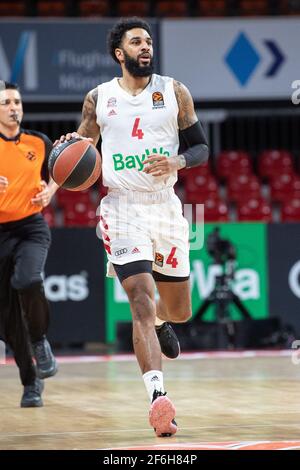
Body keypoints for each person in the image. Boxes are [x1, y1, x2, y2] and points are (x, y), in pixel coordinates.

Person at [56, 17, 209, 436]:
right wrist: (67, 151)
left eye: (148, 41)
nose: (146, 47)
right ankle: (159, 399)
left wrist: (177, 161)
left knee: (179, 309)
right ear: (119, 53)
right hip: (121, 208)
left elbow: (201, 147)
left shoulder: (174, 91)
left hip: (166, 207)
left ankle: (163, 324)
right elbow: (82, 148)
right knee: (140, 298)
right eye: (136, 42)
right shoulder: (98, 98)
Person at [0, 81, 58, 407]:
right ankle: (30, 381)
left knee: (29, 280)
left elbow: (61, 171)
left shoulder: (39, 141)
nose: (14, 107)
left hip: (31, 228)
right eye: (6, 102)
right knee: (8, 319)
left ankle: (40, 341)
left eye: (17, 101)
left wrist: (51, 190)